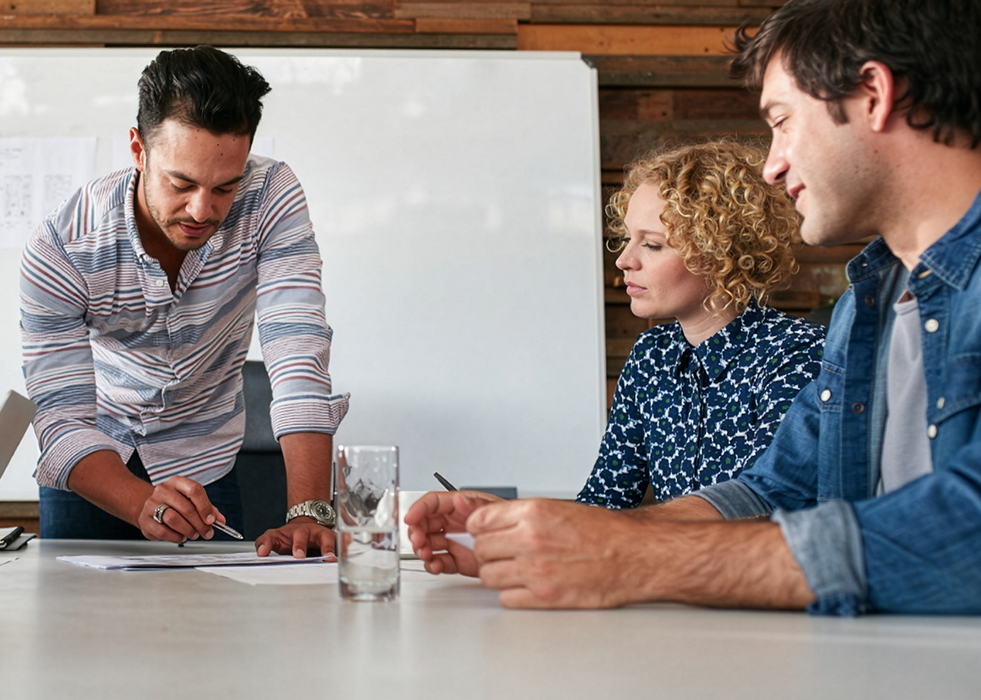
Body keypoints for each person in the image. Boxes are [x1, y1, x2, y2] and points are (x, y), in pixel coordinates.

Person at [406, 0, 981, 615]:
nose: (772, 163)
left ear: (873, 94)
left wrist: (633, 558)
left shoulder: (804, 342)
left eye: (783, 121)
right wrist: (545, 532)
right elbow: (774, 485)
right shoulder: (865, 305)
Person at [20, 46, 346, 557]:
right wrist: (139, 502)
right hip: (95, 463)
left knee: (210, 629)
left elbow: (297, 350)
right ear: (138, 150)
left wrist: (309, 511)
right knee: (76, 629)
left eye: (225, 187)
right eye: (181, 182)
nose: (202, 209)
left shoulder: (271, 198)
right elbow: (62, 419)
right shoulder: (62, 246)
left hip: (206, 464)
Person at [578, 140, 824, 509]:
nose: (624, 261)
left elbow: (760, 508)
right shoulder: (651, 357)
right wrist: (505, 518)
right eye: (629, 239)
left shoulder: (795, 356)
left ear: (720, 251)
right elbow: (605, 501)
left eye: (653, 245)